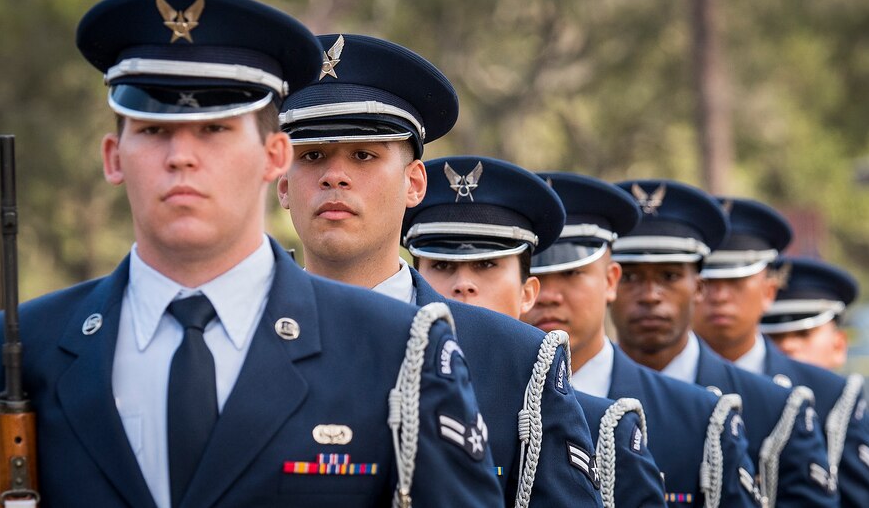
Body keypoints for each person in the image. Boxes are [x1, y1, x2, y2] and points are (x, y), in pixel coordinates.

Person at [0, 0, 504, 507]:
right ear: (114, 156)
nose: (181, 156)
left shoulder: (399, 352)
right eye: (154, 129)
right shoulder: (19, 353)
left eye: (215, 129)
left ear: (274, 155)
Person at [277, 34, 604, 506]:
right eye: (312, 156)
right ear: (283, 184)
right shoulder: (240, 334)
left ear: (413, 183)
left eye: (364, 155)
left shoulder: (513, 359)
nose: (335, 176)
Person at [405, 157, 667, 507]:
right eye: (441, 265)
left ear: (528, 293)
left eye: (486, 265)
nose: (463, 284)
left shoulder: (599, 427)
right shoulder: (384, 386)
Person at [524, 172, 759, 507]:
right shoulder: (484, 402)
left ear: (610, 281)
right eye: (533, 276)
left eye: (571, 273)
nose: (548, 296)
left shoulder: (701, 420)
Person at [609, 182, 837, 507]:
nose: (650, 296)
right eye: (630, 278)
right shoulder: (569, 396)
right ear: (609, 282)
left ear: (698, 288)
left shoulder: (775, 408)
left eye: (670, 276)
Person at [759, 256, 869, 508]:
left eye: (803, 334)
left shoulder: (841, 410)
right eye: (772, 338)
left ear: (839, 346)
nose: (787, 347)